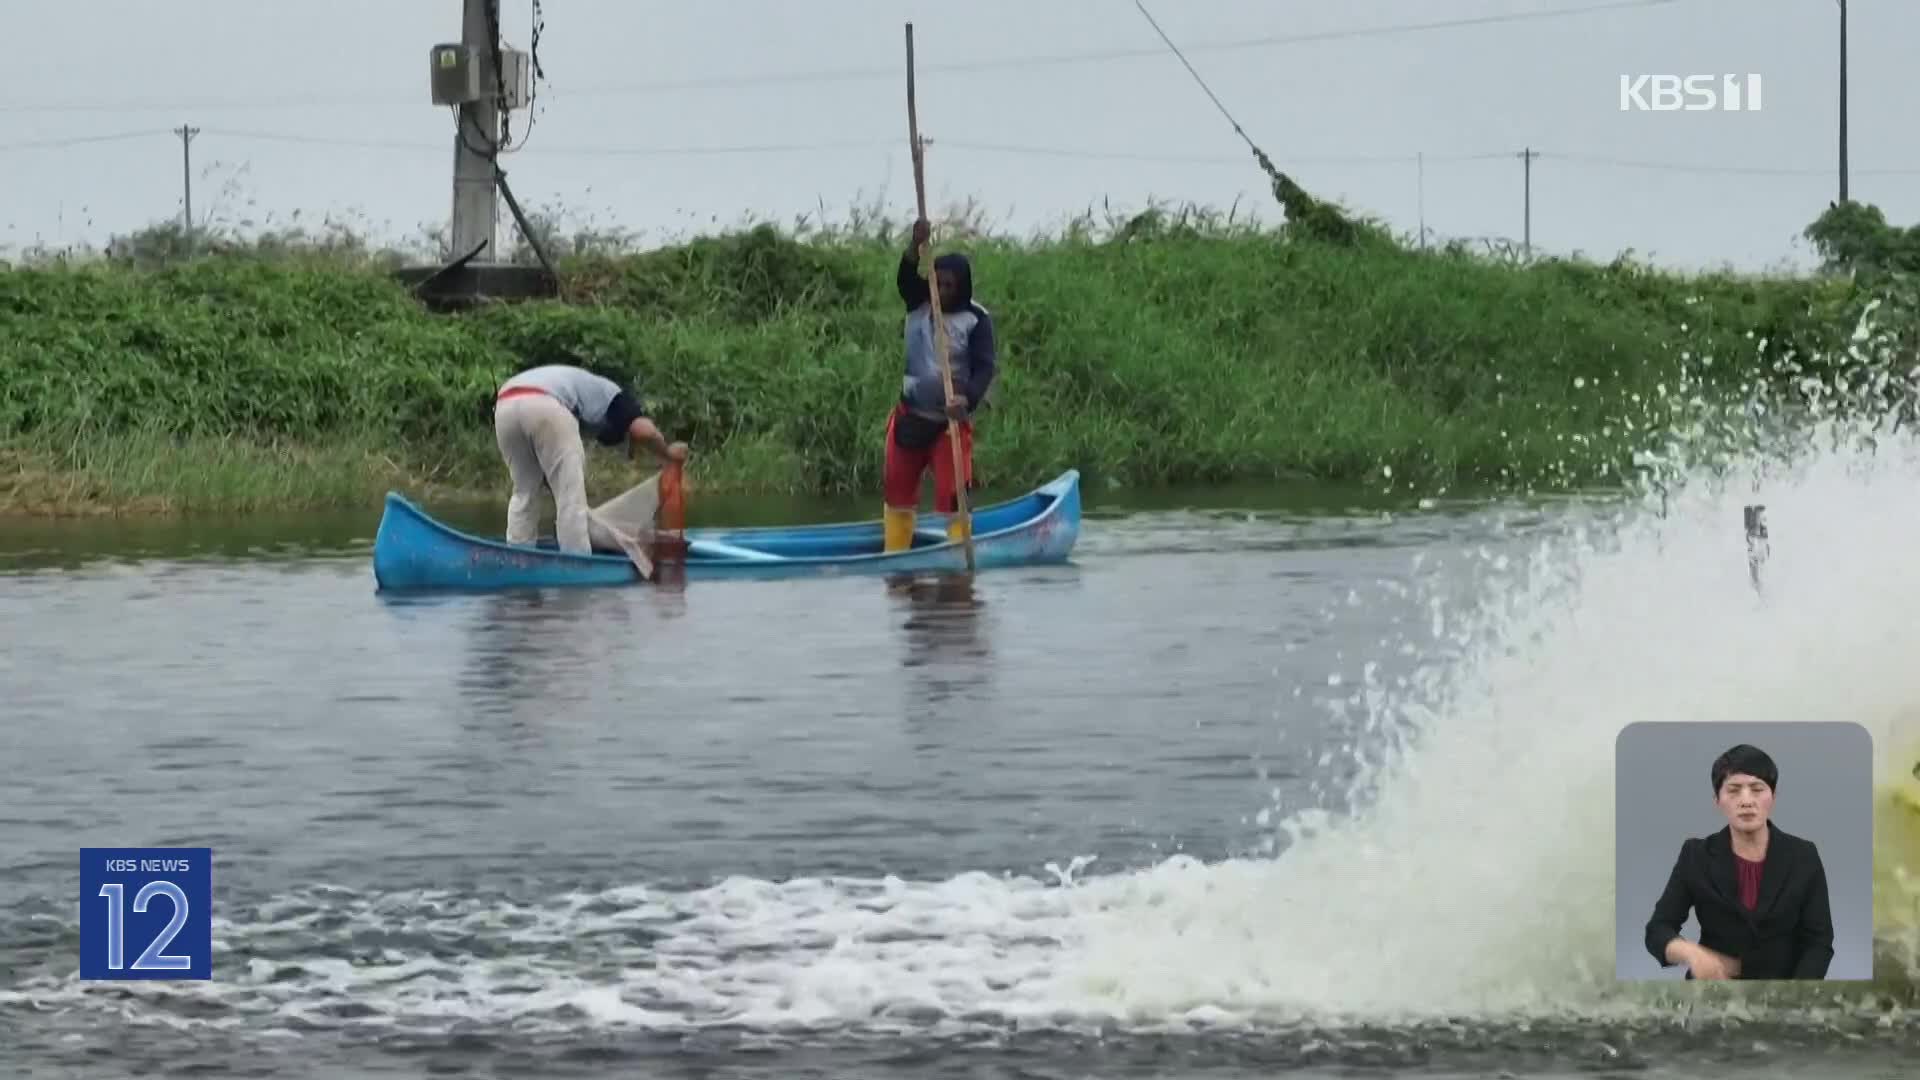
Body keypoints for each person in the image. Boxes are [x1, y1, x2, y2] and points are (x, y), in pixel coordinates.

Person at [1642, 743, 1835, 981]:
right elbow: (1658, 929)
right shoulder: (1696, 855)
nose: (1746, 801)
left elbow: (1819, 942)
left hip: (1785, 995)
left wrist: (1796, 996)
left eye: (1757, 789)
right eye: (1733, 790)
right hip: (1713, 992)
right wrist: (1690, 953)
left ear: (1773, 797)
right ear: (1717, 800)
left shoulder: (1804, 855)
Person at [882, 217, 998, 553]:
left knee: (953, 498)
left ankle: (959, 559)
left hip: (949, 423)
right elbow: (905, 278)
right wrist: (915, 244)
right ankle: (895, 556)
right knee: (898, 494)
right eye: (939, 283)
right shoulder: (918, 302)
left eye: (950, 286)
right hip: (910, 416)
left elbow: (984, 367)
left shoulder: (976, 319)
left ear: (961, 287)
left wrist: (967, 398)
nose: (943, 292)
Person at [493, 359, 688, 555]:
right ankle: (576, 559)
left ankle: (518, 553)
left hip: (504, 406)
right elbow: (644, 431)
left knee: (524, 491)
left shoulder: (582, 393)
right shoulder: (615, 396)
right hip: (545, 403)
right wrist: (667, 453)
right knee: (570, 496)